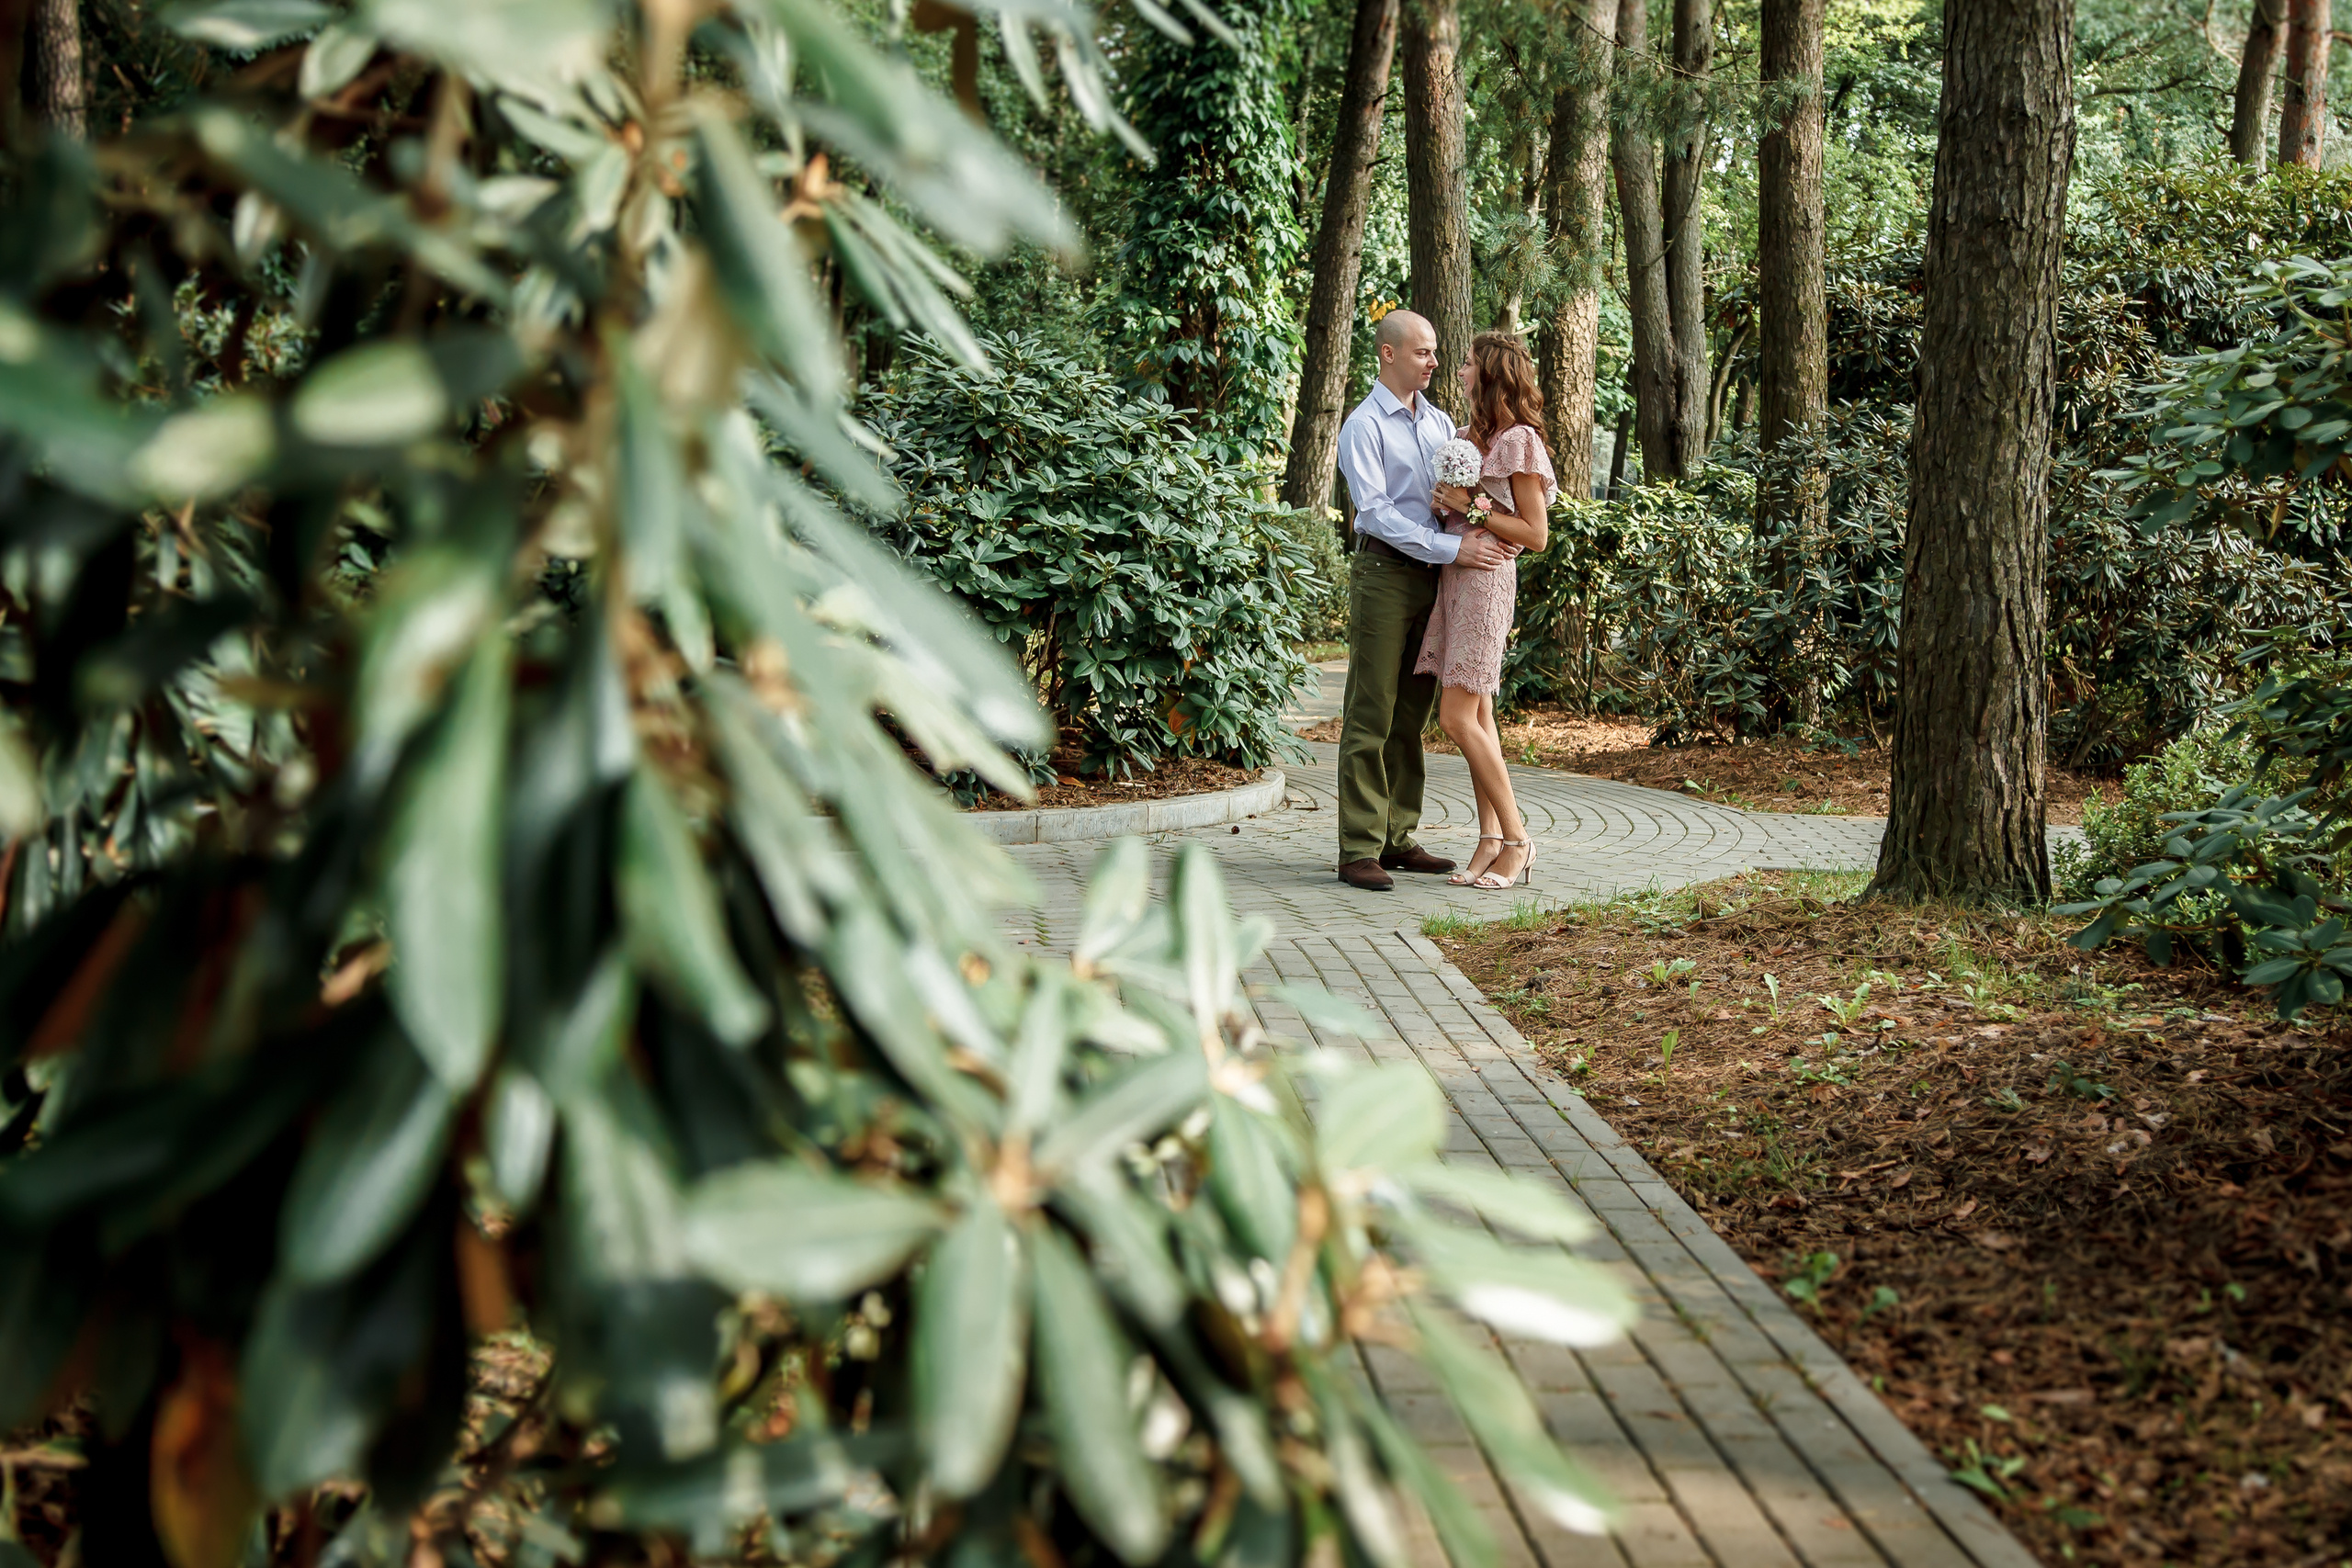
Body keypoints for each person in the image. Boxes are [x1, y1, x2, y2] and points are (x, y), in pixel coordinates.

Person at [1330, 310, 1514, 892]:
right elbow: (1375, 512)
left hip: (1438, 580)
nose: (1434, 362)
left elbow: (1462, 497)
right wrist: (1448, 546)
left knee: (1410, 716)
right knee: (1371, 712)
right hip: (1386, 576)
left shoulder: (1440, 424)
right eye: (1423, 353)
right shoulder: (1363, 426)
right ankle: (1359, 847)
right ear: (1388, 355)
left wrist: (1474, 528)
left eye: (1437, 353)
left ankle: (1398, 836)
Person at [1419, 331, 1556, 889]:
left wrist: (1467, 504)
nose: (1460, 371)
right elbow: (1459, 509)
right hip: (1456, 578)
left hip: (1487, 582)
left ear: (1493, 374)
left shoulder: (1521, 439)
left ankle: (1519, 840)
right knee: (1479, 720)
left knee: (1455, 717)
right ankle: (1489, 839)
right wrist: (1446, 503)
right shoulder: (1471, 435)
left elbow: (1535, 533)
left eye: (1469, 363)